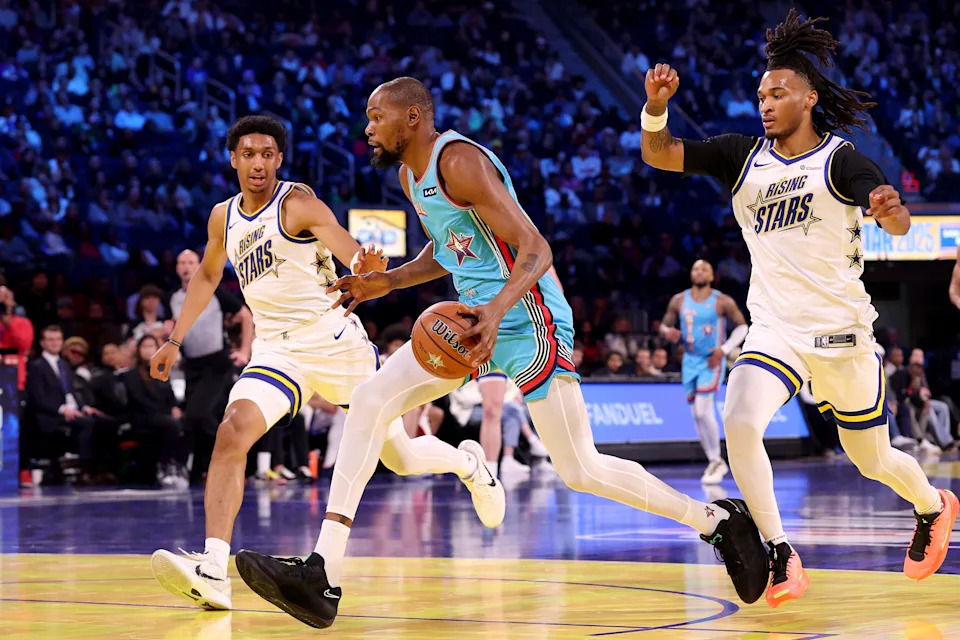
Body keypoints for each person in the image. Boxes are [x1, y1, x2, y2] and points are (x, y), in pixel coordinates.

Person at [233, 77, 769, 630]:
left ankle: (714, 520)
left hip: (528, 318)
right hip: (467, 326)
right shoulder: (407, 175)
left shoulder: (459, 161)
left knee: (580, 469)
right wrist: (388, 282)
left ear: (412, 117)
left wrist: (494, 312)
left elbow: (537, 248)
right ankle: (324, 573)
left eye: (376, 116)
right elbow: (448, 249)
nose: (367, 128)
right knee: (370, 400)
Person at [639, 9, 958, 608]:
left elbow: (899, 216)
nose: (765, 103)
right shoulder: (741, 157)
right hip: (775, 329)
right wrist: (654, 106)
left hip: (842, 333)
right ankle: (781, 551)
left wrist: (890, 210)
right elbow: (658, 152)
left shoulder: (841, 161)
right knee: (739, 419)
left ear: (808, 98)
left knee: (873, 459)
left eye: (778, 93)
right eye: (760, 94)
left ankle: (932, 505)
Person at [148, 115, 501, 611]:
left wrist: (364, 265)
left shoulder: (296, 203)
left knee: (398, 457)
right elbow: (207, 276)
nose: (257, 163)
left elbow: (344, 244)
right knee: (232, 431)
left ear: (278, 160)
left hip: (335, 343)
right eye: (248, 153)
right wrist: (174, 339)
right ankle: (213, 569)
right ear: (233, 159)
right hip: (277, 351)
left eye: (267, 154)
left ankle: (470, 464)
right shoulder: (221, 217)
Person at [169, 249, 253, 482]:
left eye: (190, 262)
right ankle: (203, 469)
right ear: (177, 267)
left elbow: (245, 316)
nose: (186, 266)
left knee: (197, 415)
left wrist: (244, 351)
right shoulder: (173, 298)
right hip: (191, 365)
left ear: (198, 265)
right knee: (195, 420)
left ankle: (231, 457)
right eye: (181, 262)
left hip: (216, 364)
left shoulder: (216, 292)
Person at [660, 260, 747, 484]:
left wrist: (725, 349)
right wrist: (667, 332)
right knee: (695, 415)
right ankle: (713, 460)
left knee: (702, 411)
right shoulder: (679, 300)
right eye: (695, 268)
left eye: (704, 269)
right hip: (689, 361)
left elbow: (742, 326)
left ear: (712, 275)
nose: (699, 272)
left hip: (711, 360)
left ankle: (717, 459)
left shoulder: (721, 300)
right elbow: (664, 326)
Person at [121, 335, 188, 488]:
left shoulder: (162, 371)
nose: (148, 350)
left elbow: (170, 396)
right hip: (142, 416)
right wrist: (166, 412)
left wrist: (174, 408)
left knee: (187, 422)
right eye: (145, 346)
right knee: (169, 424)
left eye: (151, 346)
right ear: (138, 350)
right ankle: (165, 466)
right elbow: (139, 400)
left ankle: (178, 464)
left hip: (163, 415)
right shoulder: (131, 375)